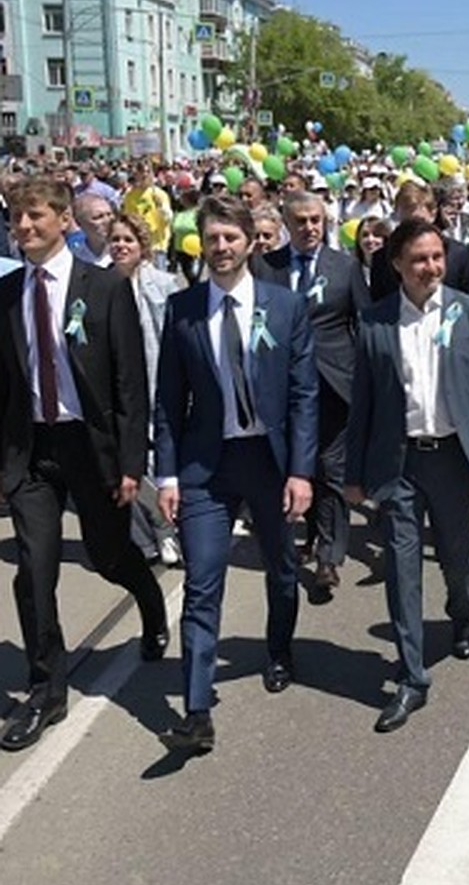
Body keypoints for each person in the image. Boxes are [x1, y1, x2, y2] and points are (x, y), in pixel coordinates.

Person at [0, 177, 168, 752]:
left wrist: (130, 461)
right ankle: (47, 689)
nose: (24, 227)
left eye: (36, 216)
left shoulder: (102, 288)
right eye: (17, 218)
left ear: (64, 221)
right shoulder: (7, 293)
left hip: (91, 447)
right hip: (33, 452)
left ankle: (148, 601)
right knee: (34, 569)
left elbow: (128, 382)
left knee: (109, 557)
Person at [154, 195, 318, 753]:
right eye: (212, 239)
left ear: (250, 241)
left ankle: (279, 648)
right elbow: (168, 402)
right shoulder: (183, 309)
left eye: (230, 238)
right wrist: (168, 476)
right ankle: (197, 710)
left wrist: (301, 471)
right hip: (208, 467)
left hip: (270, 465)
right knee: (202, 583)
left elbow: (303, 396)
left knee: (282, 568)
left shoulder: (285, 306)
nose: (221, 248)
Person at [344, 220, 469, 733]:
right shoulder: (374, 323)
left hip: (454, 462)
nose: (430, 268)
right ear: (396, 264)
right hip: (398, 465)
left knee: (457, 560)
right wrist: (354, 475)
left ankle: (461, 613)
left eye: (437, 256)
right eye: (419, 259)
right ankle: (413, 676)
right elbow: (363, 407)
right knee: (401, 567)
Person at [258, 191, 369, 600]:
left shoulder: (345, 267)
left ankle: (329, 557)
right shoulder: (264, 267)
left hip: (334, 385)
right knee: (296, 465)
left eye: (315, 220)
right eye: (300, 220)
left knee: (331, 469)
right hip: (282, 388)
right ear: (287, 223)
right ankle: (303, 535)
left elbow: (364, 325)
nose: (309, 228)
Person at [108, 211, 185, 567]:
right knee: (127, 464)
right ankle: (149, 533)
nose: (121, 246)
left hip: (157, 383)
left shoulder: (165, 284)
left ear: (143, 246)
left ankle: (167, 528)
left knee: (158, 461)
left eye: (128, 240)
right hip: (118, 390)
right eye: (116, 240)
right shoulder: (100, 284)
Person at [370, 182, 469, 300]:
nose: (413, 229)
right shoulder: (382, 259)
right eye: (407, 222)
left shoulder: (460, 255)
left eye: (419, 221)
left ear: (433, 214)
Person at [68, 192, 115, 266]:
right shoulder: (73, 254)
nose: (107, 221)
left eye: (109, 214)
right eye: (98, 217)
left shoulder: (125, 251)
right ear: (79, 223)